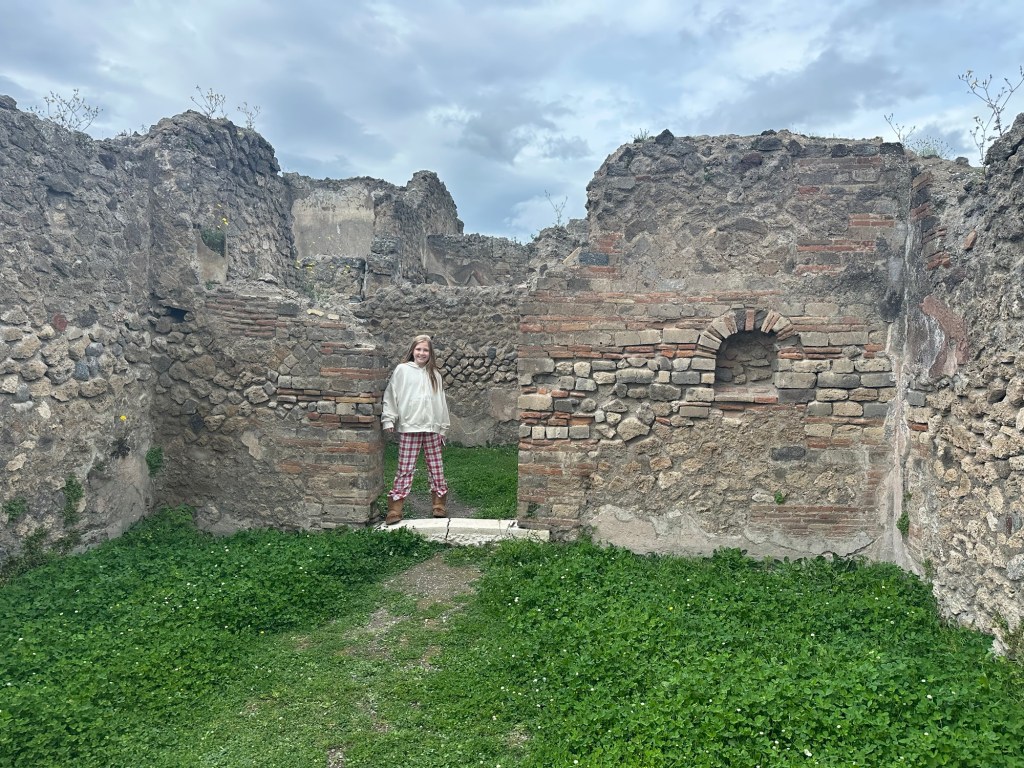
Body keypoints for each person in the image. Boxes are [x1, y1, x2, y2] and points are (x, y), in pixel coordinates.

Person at [381, 334, 451, 524]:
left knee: (436, 468)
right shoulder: (402, 370)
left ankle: (439, 503)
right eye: (418, 349)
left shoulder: (435, 374)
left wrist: (443, 427)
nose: (422, 353)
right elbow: (391, 394)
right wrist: (389, 419)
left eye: (425, 350)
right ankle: (395, 507)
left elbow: (441, 402)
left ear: (430, 353)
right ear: (412, 351)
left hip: (432, 427)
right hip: (409, 427)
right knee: (405, 468)